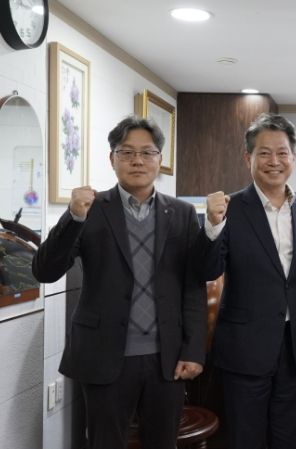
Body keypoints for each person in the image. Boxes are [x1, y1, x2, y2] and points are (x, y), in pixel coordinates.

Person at [32, 116, 207, 449]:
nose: (137, 160)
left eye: (147, 152)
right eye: (126, 152)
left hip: (166, 359)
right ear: (111, 158)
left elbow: (193, 287)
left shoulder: (182, 214)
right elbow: (45, 271)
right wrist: (73, 216)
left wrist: (194, 350)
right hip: (103, 355)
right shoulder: (91, 209)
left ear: (160, 159)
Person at [194, 112, 296, 449]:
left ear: (294, 158)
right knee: (246, 438)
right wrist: (212, 225)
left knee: (290, 438)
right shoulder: (229, 208)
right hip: (245, 346)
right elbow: (207, 270)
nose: (275, 161)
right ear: (248, 158)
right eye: (265, 153)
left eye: (282, 153)